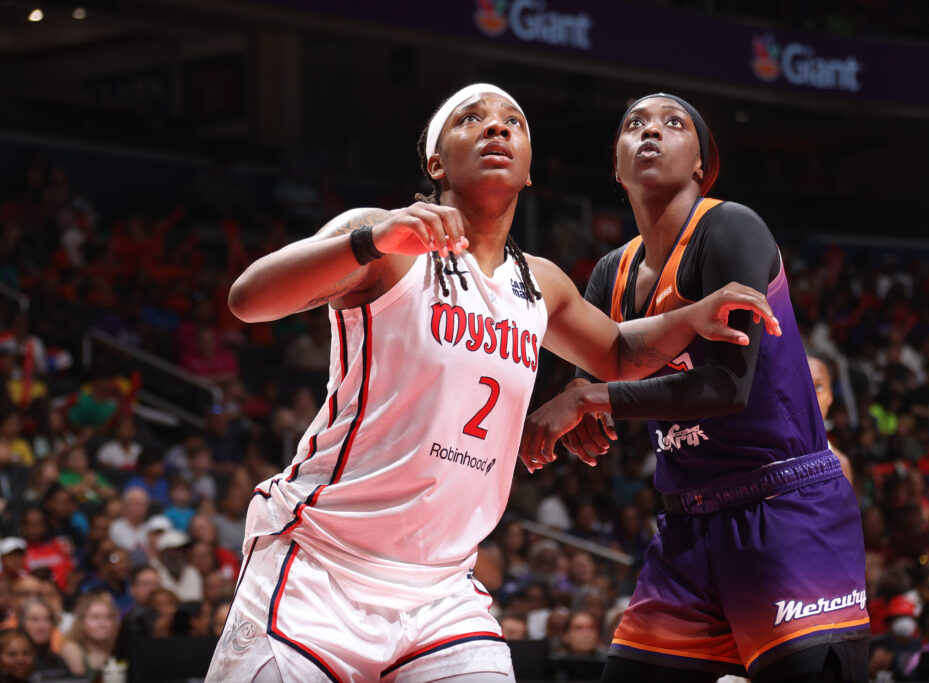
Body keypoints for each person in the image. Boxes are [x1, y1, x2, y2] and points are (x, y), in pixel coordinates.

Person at [206, 84, 779, 683]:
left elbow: (618, 351)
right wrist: (372, 241)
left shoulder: (543, 283)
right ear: (435, 161)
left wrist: (691, 315)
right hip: (320, 565)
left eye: (514, 123)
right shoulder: (385, 238)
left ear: (530, 171)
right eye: (472, 119)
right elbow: (249, 299)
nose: (497, 128)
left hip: (442, 592)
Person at [524, 93, 868, 682]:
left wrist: (593, 399)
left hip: (783, 508)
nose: (650, 132)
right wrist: (585, 416)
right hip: (687, 524)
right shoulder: (611, 272)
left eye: (673, 123)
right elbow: (595, 379)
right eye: (634, 125)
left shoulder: (731, 227)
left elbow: (728, 389)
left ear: (703, 166)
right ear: (616, 164)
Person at [807, 355, 854, 485]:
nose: (810, 394)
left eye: (818, 387)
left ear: (830, 396)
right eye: (802, 385)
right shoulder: (764, 451)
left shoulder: (840, 463)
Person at [59, 591, 119, 681]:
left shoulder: (117, 646)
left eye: (108, 617)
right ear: (81, 622)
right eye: (95, 618)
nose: (102, 624)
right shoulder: (71, 649)